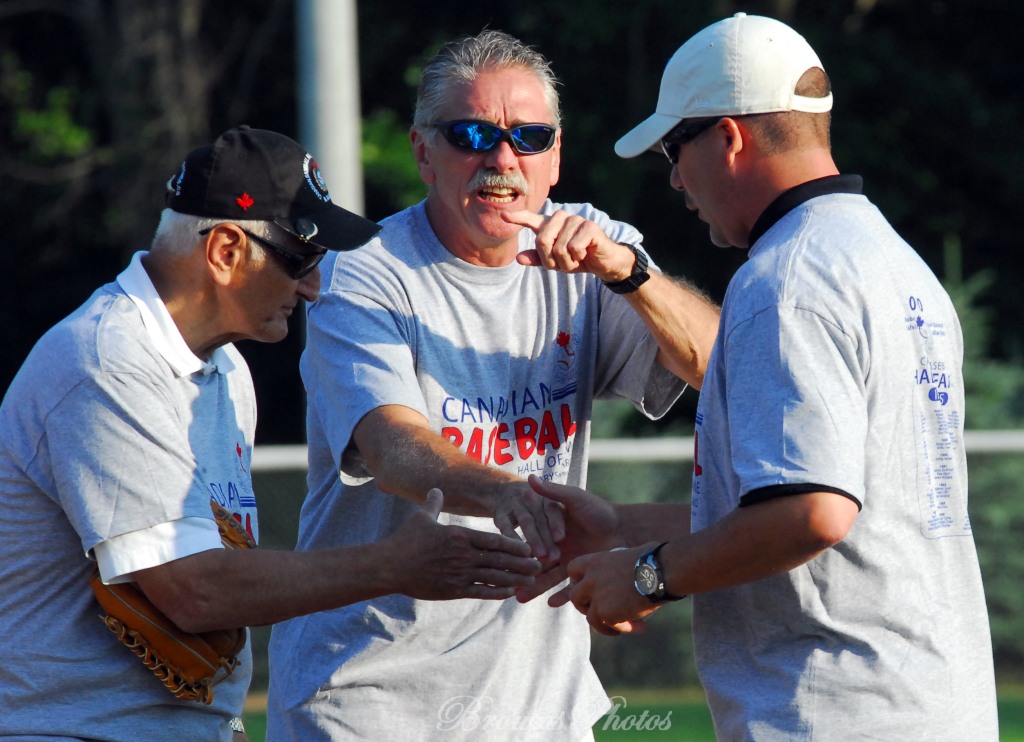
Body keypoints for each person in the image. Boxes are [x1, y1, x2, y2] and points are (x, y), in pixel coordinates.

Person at [519, 12, 1000, 740]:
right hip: (930, 705)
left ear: (730, 138)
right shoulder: (893, 264)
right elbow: (851, 516)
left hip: (834, 713)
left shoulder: (786, 281)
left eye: (675, 149)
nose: (676, 177)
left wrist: (648, 575)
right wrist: (620, 529)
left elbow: (812, 515)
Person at [0, 126, 543, 742]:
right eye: (301, 258)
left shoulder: (227, 368)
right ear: (226, 250)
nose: (314, 287)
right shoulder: (105, 360)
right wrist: (394, 564)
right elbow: (192, 590)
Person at [265, 30, 719, 742]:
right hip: (368, 704)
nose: (502, 159)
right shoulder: (367, 270)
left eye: (530, 137)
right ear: (422, 152)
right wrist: (507, 490)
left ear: (556, 157)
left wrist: (630, 275)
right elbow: (393, 448)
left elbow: (723, 368)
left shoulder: (596, 249)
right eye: (472, 133)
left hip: (539, 712)